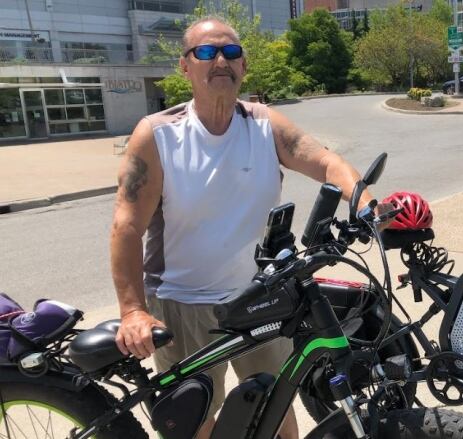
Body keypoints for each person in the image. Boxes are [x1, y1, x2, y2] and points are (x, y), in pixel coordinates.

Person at [110, 16, 383, 439]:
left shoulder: (263, 124)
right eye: (206, 52)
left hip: (262, 297)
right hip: (184, 302)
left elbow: (327, 162)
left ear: (244, 65)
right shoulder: (158, 135)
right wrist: (132, 311)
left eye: (231, 52)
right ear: (185, 67)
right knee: (196, 422)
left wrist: (367, 205)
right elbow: (126, 227)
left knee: (275, 409)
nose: (220, 60)